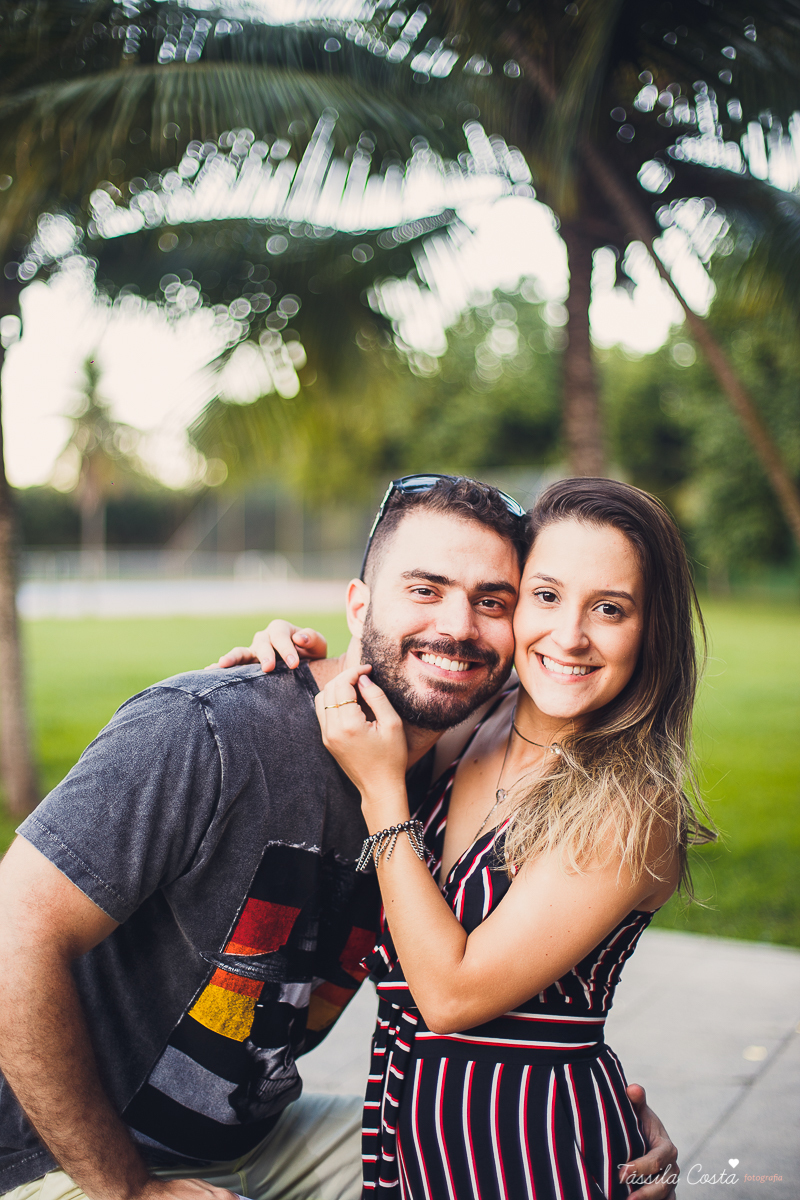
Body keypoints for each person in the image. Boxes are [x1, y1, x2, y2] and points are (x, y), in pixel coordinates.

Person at [0, 475, 677, 1200]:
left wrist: (603, 1130)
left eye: (493, 601)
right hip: (76, 1156)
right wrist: (128, 1189)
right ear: (359, 606)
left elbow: (515, 987)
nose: (458, 627)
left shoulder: (431, 752)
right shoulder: (212, 731)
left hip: (275, 1140)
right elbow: (13, 932)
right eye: (425, 589)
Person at [306, 476, 707, 1199]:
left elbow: (453, 998)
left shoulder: (631, 803)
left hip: (530, 1156)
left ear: (652, 631)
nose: (570, 635)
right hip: (409, 1136)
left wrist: (383, 791)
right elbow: (388, 661)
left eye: (610, 609)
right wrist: (288, 655)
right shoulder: (476, 724)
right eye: (546, 596)